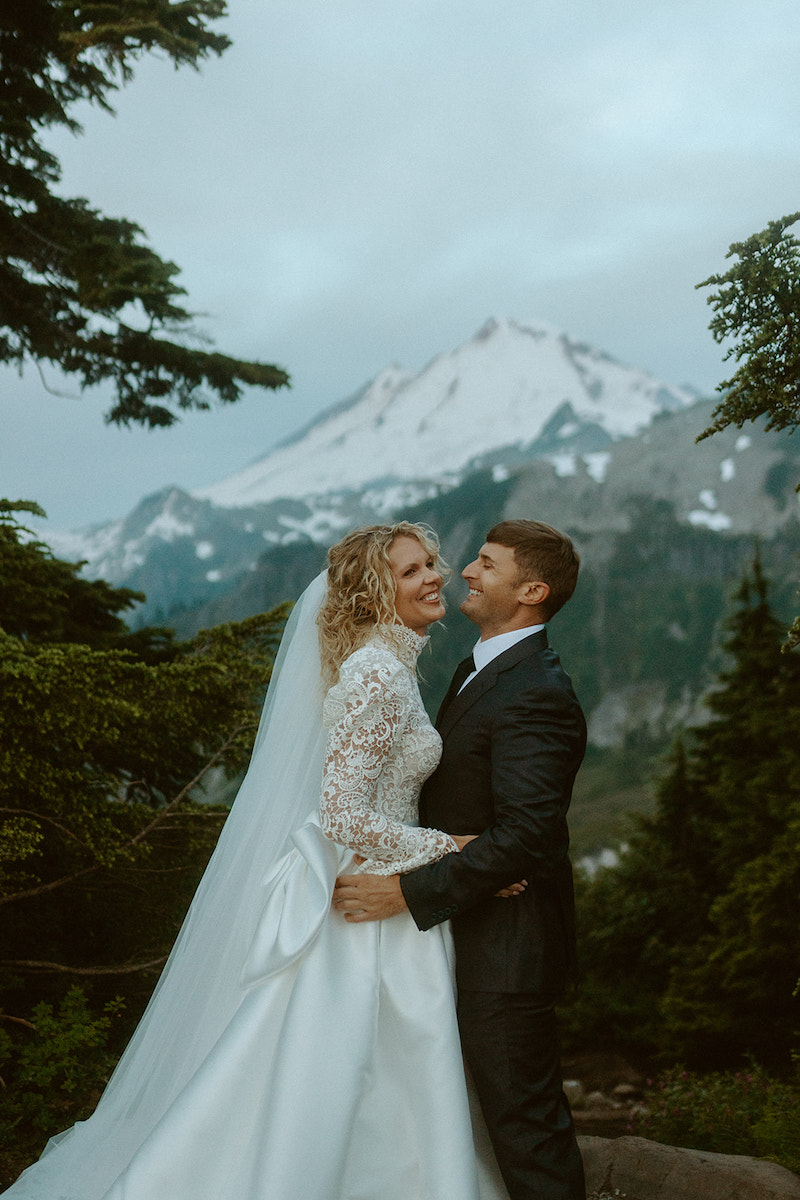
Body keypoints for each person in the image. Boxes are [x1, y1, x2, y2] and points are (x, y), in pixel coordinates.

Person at [4, 521, 511, 1200]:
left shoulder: (389, 665)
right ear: (370, 596)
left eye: (432, 564)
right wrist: (451, 850)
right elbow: (341, 814)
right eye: (412, 571)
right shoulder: (375, 675)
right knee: (351, 1059)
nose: (435, 577)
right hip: (364, 893)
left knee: (375, 1066)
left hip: (385, 881)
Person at [334, 519, 587, 1200]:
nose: (462, 573)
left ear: (530, 590)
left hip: (508, 946)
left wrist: (409, 893)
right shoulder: (481, 665)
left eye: (485, 563)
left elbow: (527, 833)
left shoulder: (535, 687)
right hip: (462, 930)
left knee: (526, 1126)